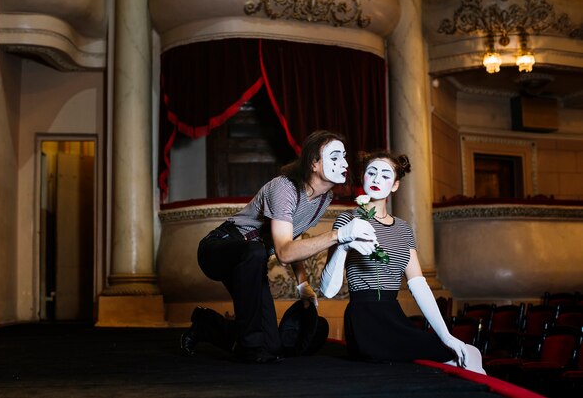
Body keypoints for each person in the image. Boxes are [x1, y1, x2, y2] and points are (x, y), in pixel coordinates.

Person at [181, 130, 377, 363]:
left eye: (344, 156)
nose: (344, 163)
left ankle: (206, 324)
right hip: (219, 249)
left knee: (272, 345)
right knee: (254, 254)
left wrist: (303, 283)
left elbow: (293, 238)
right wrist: (339, 235)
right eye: (334, 157)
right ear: (314, 163)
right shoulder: (284, 188)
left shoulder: (324, 199)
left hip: (252, 263)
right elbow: (284, 252)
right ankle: (250, 347)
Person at [320, 151, 485, 374]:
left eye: (386, 175)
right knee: (451, 359)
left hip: (394, 316)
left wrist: (446, 335)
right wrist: (343, 245)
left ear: (395, 185)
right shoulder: (348, 220)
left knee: (463, 355)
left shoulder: (404, 229)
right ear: (364, 178)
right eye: (372, 172)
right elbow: (328, 291)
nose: (377, 179)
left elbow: (418, 285)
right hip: (363, 319)